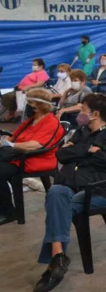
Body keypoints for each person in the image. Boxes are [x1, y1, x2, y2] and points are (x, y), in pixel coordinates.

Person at [32, 94, 106, 292]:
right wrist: (89, 150)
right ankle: (58, 256)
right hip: (71, 185)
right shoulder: (82, 132)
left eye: (82, 109)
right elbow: (61, 154)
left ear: (95, 114)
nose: (79, 113)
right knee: (55, 192)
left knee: (60, 206)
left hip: (98, 190)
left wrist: (77, 150)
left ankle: (54, 264)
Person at [0, 89, 64, 225]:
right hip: (19, 156)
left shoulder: (51, 123)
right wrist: (5, 141)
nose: (27, 106)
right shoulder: (30, 121)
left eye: (30, 103)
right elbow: (13, 136)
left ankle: (8, 212)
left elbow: (36, 145)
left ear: (38, 105)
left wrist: (10, 145)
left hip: (35, 159)